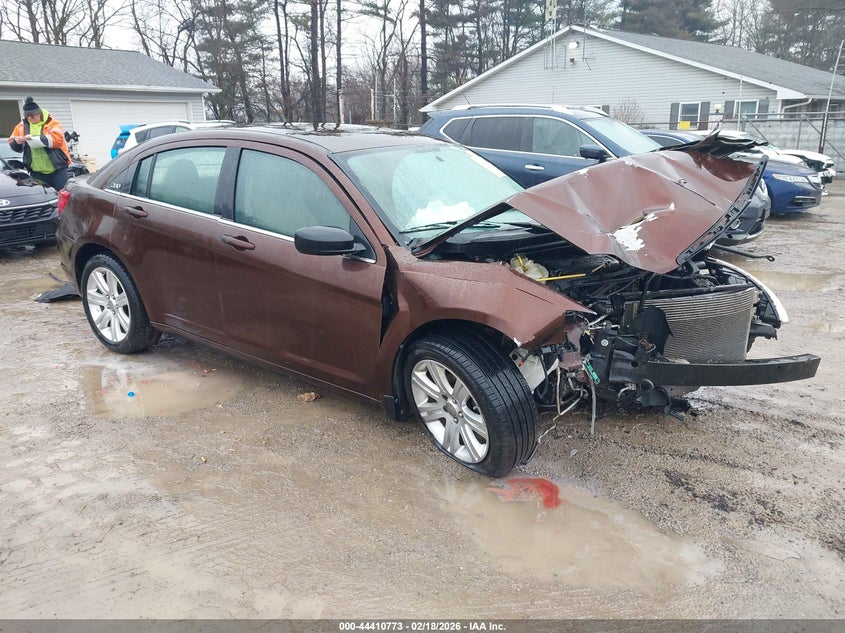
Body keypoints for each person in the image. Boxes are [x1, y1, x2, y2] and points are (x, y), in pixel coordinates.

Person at [8, 96, 72, 190]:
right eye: (27, 116)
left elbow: (58, 140)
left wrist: (34, 139)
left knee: (64, 197)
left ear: (39, 113)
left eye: (32, 116)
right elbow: (12, 143)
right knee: (42, 198)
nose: (29, 119)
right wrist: (17, 142)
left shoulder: (52, 123)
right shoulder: (22, 126)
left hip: (58, 170)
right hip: (36, 173)